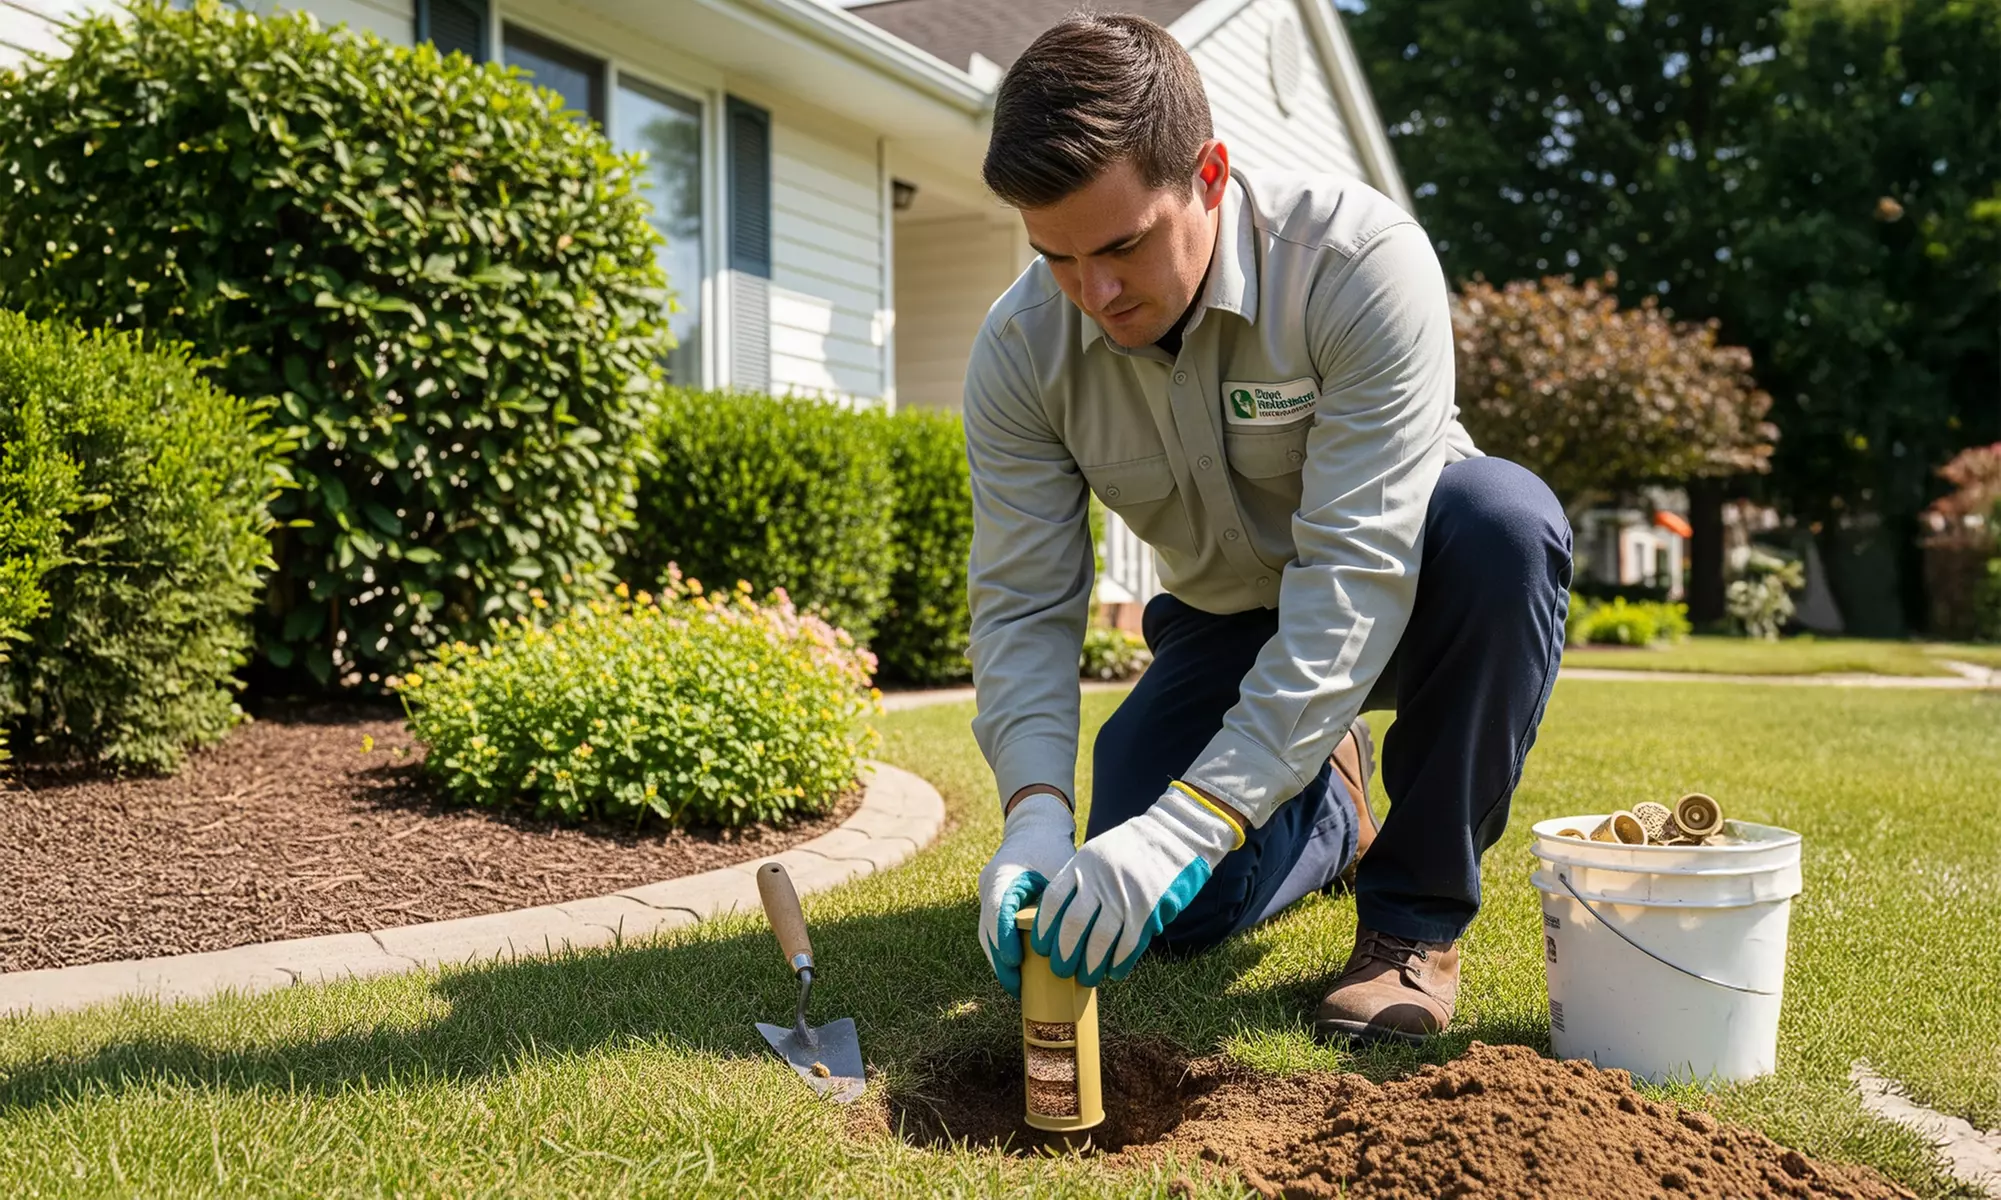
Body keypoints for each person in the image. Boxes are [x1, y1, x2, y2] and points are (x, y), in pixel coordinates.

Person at [966, 14, 1572, 1044]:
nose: (1095, 294)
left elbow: (1356, 573)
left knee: (1507, 522)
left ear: (1208, 174)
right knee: (1155, 908)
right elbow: (1024, 601)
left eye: (1121, 245)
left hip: (1424, 585)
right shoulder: (1022, 349)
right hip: (1227, 615)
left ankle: (1409, 924)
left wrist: (1197, 816)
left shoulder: (1357, 263)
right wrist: (1033, 814)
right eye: (1057, 257)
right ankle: (1329, 804)